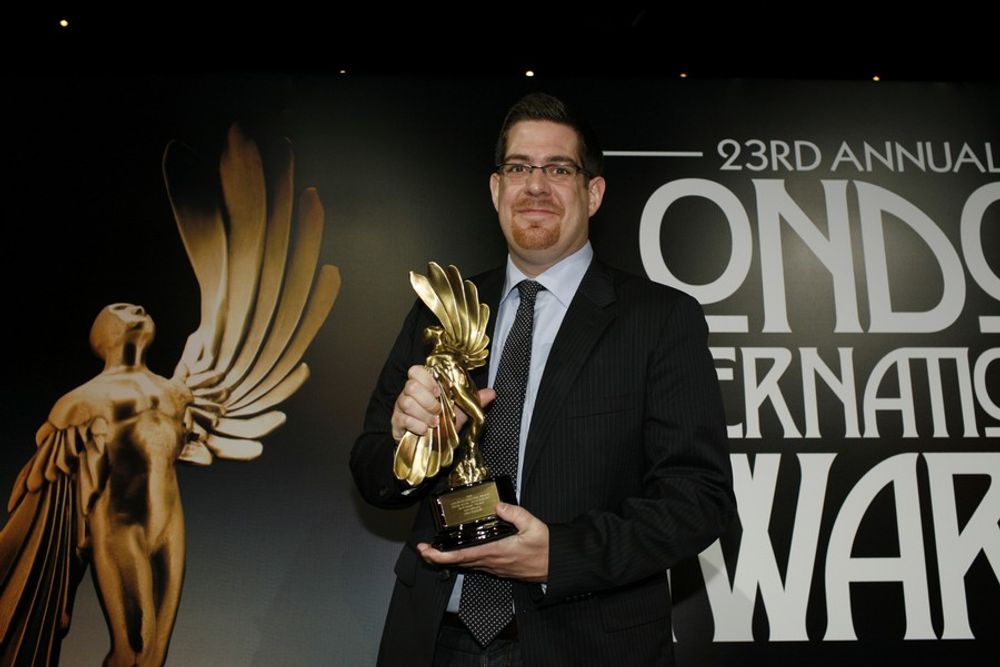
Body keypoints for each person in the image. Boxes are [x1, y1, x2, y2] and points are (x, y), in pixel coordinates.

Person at [351, 92, 735, 666]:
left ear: (592, 192)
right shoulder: (442, 310)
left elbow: (698, 499)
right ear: (495, 188)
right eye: (518, 168)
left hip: (587, 643)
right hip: (436, 640)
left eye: (558, 169)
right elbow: (371, 471)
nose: (535, 186)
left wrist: (559, 555)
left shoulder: (659, 319)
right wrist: (414, 446)